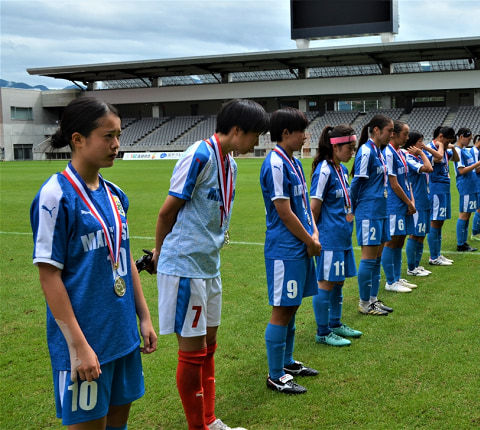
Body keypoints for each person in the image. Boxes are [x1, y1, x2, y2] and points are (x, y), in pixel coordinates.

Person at [30, 97, 157, 429]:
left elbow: (124, 258)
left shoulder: (115, 194)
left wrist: (143, 317)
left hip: (122, 336)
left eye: (118, 135)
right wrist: (78, 347)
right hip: (86, 343)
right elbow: (49, 277)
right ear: (78, 139)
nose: (117, 145)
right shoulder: (55, 196)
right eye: (108, 136)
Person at [153, 99, 268, 429]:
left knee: (208, 348)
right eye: (255, 135)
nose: (256, 143)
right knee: (192, 353)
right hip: (185, 266)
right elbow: (166, 212)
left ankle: (209, 420)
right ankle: (197, 427)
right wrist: (161, 255)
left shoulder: (230, 163)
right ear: (236, 131)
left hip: (209, 265)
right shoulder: (199, 155)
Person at [260, 107, 321, 394]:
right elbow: (283, 212)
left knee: (293, 306)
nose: (305, 136)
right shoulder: (275, 163)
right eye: (302, 131)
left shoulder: (293, 161)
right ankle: (275, 375)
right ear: (286, 133)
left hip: (300, 246)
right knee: (282, 309)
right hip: (285, 249)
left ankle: (287, 362)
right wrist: (310, 241)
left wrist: (314, 232)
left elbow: (303, 207)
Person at [309, 124, 362, 347]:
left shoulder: (339, 169)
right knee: (326, 283)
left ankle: (335, 322)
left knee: (338, 282)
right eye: (350, 148)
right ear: (336, 147)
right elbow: (313, 207)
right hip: (329, 238)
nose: (353, 152)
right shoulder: (324, 170)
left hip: (343, 236)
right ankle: (322, 332)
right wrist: (315, 236)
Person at [350, 114, 394, 315]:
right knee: (368, 258)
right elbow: (356, 183)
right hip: (369, 211)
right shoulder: (366, 151)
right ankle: (364, 303)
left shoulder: (380, 151)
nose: (391, 135)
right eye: (389, 131)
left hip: (381, 209)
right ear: (376, 130)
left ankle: (373, 300)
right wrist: (351, 209)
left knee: (377, 258)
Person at [382, 120, 418, 292]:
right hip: (394, 204)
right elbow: (393, 183)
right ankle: (390, 281)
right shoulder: (388, 152)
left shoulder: (400, 152)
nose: (407, 137)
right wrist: (407, 201)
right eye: (405, 134)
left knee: (400, 240)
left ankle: (397, 277)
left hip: (404, 202)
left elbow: (406, 180)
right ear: (394, 134)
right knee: (392, 241)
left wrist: (412, 200)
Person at [425, 126, 462, 260]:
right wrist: (442, 146)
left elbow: (456, 160)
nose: (448, 144)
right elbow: (438, 159)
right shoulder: (431, 148)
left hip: (444, 188)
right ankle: (434, 256)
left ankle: (438, 254)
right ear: (441, 137)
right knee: (435, 221)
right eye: (447, 141)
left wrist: (452, 148)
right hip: (435, 188)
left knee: (440, 222)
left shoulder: (446, 149)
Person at [403, 131, 433, 276]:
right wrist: (422, 153)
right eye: (420, 141)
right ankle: (411, 268)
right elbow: (429, 168)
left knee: (421, 234)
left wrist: (421, 153)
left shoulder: (417, 157)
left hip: (424, 199)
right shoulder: (409, 158)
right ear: (412, 144)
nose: (422, 144)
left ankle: (417, 265)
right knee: (415, 234)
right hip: (418, 201)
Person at [454, 128, 480, 246]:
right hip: (466, 185)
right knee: (464, 214)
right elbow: (461, 171)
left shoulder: (465, 151)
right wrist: (478, 164)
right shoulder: (458, 151)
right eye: (468, 139)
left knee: (468, 214)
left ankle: (464, 242)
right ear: (461, 137)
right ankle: (461, 243)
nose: (469, 141)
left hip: (471, 185)